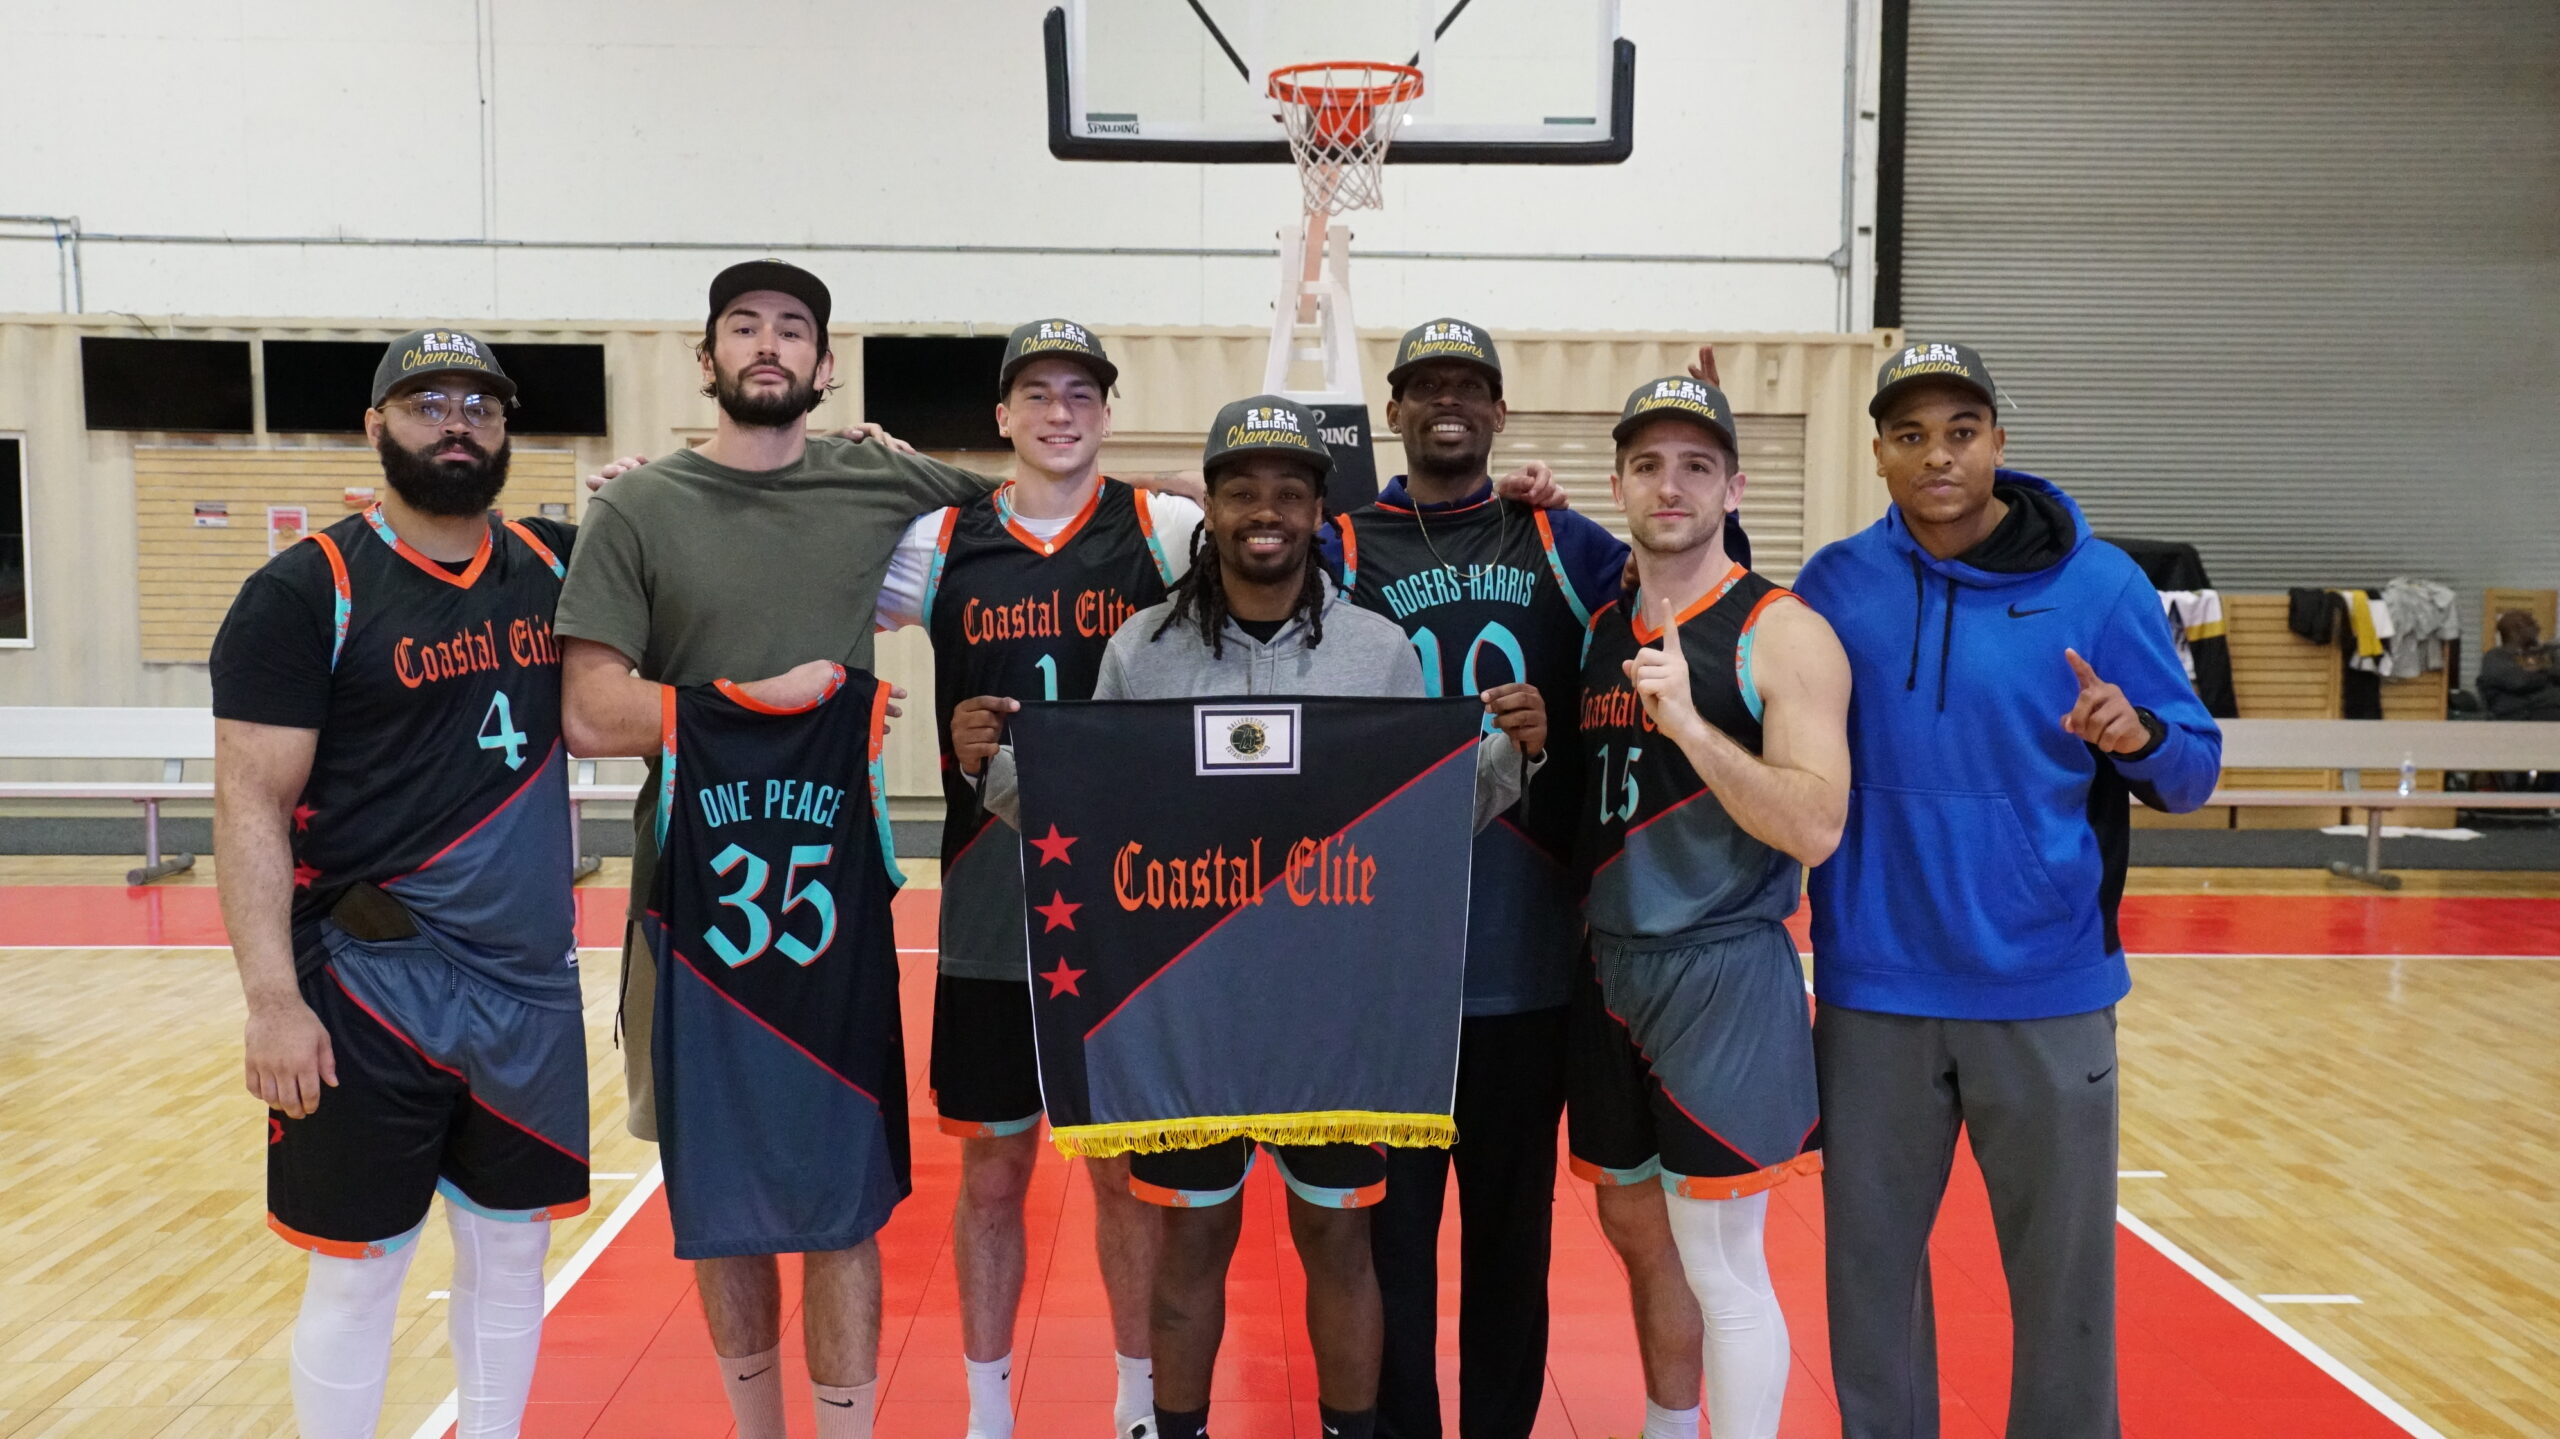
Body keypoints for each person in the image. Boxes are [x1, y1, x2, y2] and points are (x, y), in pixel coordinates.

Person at [961, 394, 1547, 1439]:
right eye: (1240, 490)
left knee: (1338, 1244)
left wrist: (1516, 755)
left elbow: (1422, 822)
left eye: (1287, 491)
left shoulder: (1379, 651)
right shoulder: (1143, 650)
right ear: (1214, 508)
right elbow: (1090, 819)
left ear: (1319, 510)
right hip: (1189, 1007)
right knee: (1190, 1245)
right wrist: (990, 772)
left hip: (1334, 1014)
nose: (1262, 510)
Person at [553, 259, 1011, 1439]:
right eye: (743, 327)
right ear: (706, 359)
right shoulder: (636, 507)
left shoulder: (875, 477)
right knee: (725, 1196)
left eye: (792, 329)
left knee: (839, 1192)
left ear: (823, 362)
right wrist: (755, 699)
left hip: (834, 888)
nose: (768, 345)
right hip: (686, 897)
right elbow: (592, 710)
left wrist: (1204, 486)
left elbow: (1060, 504)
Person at [1793, 341, 2222, 1438]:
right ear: (1878, 450)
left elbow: (2193, 767)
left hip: (2045, 983)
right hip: (1873, 986)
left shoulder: (2101, 584)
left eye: (1960, 429)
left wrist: (2138, 736)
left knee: (2063, 1285)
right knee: (1869, 1283)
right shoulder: (1836, 583)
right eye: (1910, 434)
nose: (1937, 454)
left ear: (1998, 440)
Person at [213, 329, 583, 1439]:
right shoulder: (304, 589)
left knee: (514, 1246)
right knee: (362, 1265)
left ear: (508, 428)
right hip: (369, 982)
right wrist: (272, 1000)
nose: (457, 422)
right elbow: (247, 805)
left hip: (527, 985)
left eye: (480, 403)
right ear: (377, 427)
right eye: (428, 404)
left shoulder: (561, 563)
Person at [871, 318, 1201, 1439]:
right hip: (986, 892)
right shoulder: (936, 541)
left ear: (1106, 412)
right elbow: (799, 569)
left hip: (1129, 902)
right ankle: (986, 1410)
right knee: (995, 1170)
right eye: (1037, 394)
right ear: (1002, 416)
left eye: (1081, 393)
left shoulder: (1163, 528)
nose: (1060, 411)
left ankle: (1136, 1402)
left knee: (1121, 1171)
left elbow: (1286, 548)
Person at [1319, 319, 1627, 1439]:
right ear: (1392, 410)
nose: (1447, 402)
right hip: (1384, 968)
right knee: (1386, 1246)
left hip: (1524, 958)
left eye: (1470, 387)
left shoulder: (1562, 538)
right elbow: (1222, 536)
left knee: (1511, 1241)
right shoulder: (1338, 542)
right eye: (1425, 386)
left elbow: (1686, 582)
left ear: (1500, 412)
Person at [1567, 376, 1850, 1439]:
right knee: (1636, 1225)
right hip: (1605, 968)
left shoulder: (1781, 631)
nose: (1669, 484)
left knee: (1722, 1263)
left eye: (1695, 464)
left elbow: (1816, 825)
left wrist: (1688, 723)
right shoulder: (1603, 622)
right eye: (1647, 464)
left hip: (1721, 969)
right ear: (1619, 484)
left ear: (1734, 484)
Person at [2479, 610, 2560, 722]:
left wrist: (2542, 669)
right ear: (2515, 632)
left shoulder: (2542, 654)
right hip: (2521, 718)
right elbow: (2519, 681)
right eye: (2532, 625)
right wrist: (2546, 672)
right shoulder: (2495, 657)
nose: (2538, 629)